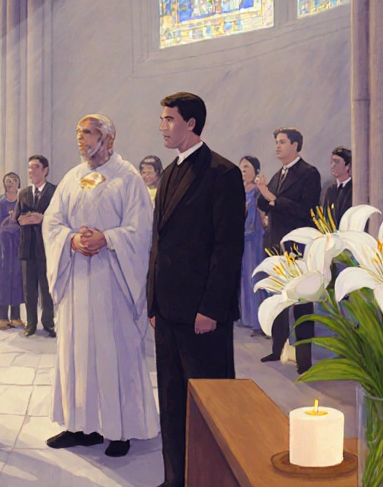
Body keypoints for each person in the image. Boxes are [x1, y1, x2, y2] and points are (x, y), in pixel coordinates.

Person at [43, 114, 159, 458]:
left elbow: (141, 229)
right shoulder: (71, 178)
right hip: (77, 280)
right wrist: (71, 240)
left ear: (109, 139)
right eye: (78, 133)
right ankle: (82, 427)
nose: (80, 139)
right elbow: (52, 221)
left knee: (115, 353)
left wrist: (107, 239)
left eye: (88, 133)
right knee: (77, 353)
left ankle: (120, 430)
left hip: (113, 282)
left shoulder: (128, 178)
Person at [148, 93, 243, 487]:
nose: (162, 126)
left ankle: (212, 480)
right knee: (171, 403)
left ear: (191, 123)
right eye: (162, 119)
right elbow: (159, 243)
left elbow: (227, 247)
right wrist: (152, 302)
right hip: (167, 312)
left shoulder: (222, 172)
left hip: (203, 314)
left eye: (169, 119)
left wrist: (212, 309)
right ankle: (175, 479)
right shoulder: (169, 173)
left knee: (209, 405)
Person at [255, 127, 321, 373]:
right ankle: (277, 348)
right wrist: (264, 195)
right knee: (277, 299)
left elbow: (307, 210)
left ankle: (304, 360)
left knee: (302, 302)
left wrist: (272, 198)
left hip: (296, 248)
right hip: (275, 246)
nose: (277, 146)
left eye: (282, 142)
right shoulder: (277, 174)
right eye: (276, 142)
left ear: (295, 145)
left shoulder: (309, 173)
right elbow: (267, 203)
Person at [16, 155, 56, 338]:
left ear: (45, 170)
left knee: (47, 288)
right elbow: (17, 217)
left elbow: (57, 218)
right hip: (28, 249)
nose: (32, 171)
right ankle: (31, 324)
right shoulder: (23, 193)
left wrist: (43, 219)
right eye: (29, 168)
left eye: (36, 167)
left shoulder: (55, 191)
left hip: (47, 249)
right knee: (29, 290)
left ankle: (48, 323)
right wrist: (23, 219)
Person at [236, 156, 266, 336]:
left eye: (246, 167)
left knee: (255, 277)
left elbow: (263, 215)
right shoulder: (237, 190)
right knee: (242, 278)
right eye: (241, 168)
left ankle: (258, 320)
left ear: (255, 170)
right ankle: (245, 317)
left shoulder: (258, 191)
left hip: (256, 239)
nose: (243, 171)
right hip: (241, 238)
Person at [0, 173, 24, 330]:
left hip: (18, 244)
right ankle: (3, 317)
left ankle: (16, 316)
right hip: (4, 247)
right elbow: (0, 224)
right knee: (3, 279)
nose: (12, 184)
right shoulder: (1, 202)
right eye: (8, 181)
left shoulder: (22, 200)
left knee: (17, 279)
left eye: (15, 181)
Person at [321, 146, 353, 223]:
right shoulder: (330, 190)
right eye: (332, 162)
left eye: (337, 162)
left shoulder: (353, 189)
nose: (333, 165)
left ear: (347, 166)